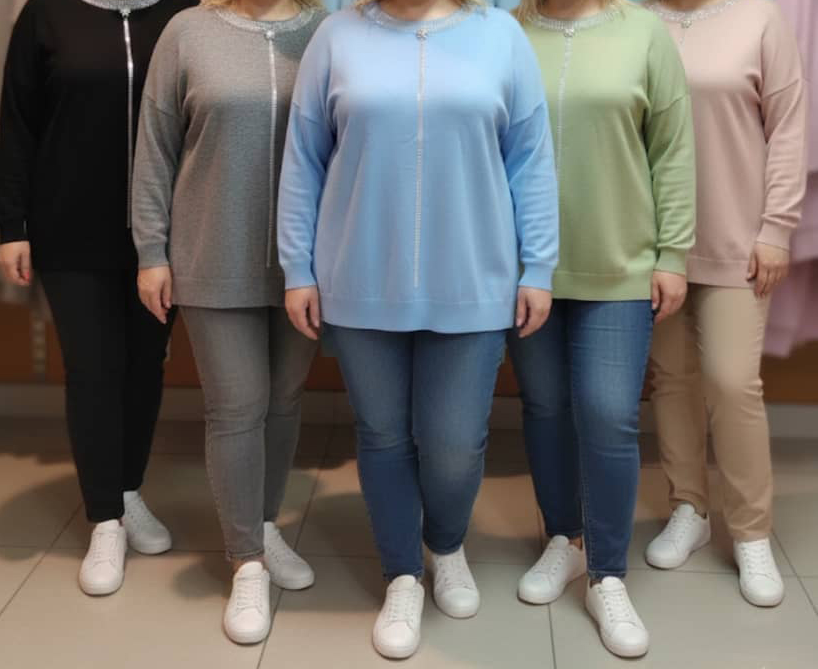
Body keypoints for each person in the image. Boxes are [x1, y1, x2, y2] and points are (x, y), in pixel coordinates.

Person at [277, 0, 558, 658]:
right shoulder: (336, 36)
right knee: (381, 435)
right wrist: (297, 267)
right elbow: (304, 159)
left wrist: (538, 265)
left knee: (454, 444)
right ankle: (401, 572)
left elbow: (531, 158)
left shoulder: (500, 36)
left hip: (474, 278)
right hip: (360, 277)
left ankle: (446, 544)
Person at [132, 0, 326, 644]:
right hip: (211, 253)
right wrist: (151, 252)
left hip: (306, 264)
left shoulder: (327, 32)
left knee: (284, 400)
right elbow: (155, 147)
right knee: (238, 405)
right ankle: (246, 561)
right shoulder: (188, 31)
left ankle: (265, 529)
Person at [509, 0, 696, 658]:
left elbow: (672, 148)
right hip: (525, 269)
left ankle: (607, 573)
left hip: (620, 266)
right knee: (545, 407)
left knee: (608, 414)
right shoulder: (507, 32)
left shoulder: (641, 31)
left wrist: (672, 254)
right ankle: (564, 538)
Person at [0, 0, 196, 597]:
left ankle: (127, 491)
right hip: (70, 230)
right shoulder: (47, 13)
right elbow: (17, 120)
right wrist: (12, 225)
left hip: (162, 236)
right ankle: (104, 518)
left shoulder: (182, 14)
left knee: (143, 366)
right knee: (93, 370)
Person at [644, 0, 807, 609]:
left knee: (732, 381)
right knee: (672, 378)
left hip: (739, 241)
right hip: (656, 243)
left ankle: (752, 532)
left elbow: (788, 127)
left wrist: (777, 228)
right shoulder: (636, 19)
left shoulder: (760, 18)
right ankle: (689, 508)